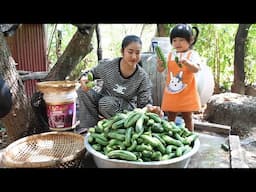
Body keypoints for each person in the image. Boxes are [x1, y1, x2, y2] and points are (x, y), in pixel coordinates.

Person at [77, 35, 163, 131]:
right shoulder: (108, 66)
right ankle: (90, 128)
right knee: (82, 90)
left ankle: (120, 129)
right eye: (130, 52)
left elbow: (145, 103)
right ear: (122, 51)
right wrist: (84, 79)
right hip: (103, 100)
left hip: (126, 111)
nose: (134, 56)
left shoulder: (142, 77)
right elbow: (91, 73)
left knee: (106, 103)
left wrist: (151, 109)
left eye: (137, 53)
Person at [156, 24, 202, 131]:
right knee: (171, 116)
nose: (177, 43)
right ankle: (170, 135)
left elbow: (196, 69)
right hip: (172, 92)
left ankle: (191, 136)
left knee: (188, 117)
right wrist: (160, 64)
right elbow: (160, 70)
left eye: (181, 40)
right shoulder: (170, 55)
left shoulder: (192, 54)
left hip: (187, 92)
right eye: (175, 40)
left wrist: (187, 63)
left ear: (190, 40)